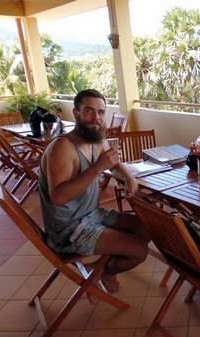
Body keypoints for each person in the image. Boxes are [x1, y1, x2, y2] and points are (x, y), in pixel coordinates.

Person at [38, 89, 149, 294]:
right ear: (76, 113)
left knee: (147, 228)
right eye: (89, 111)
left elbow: (113, 163)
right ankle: (104, 272)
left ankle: (94, 270)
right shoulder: (63, 147)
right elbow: (58, 197)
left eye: (100, 112)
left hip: (92, 214)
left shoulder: (96, 138)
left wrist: (128, 177)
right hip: (69, 229)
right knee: (140, 251)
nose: (96, 118)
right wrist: (98, 167)